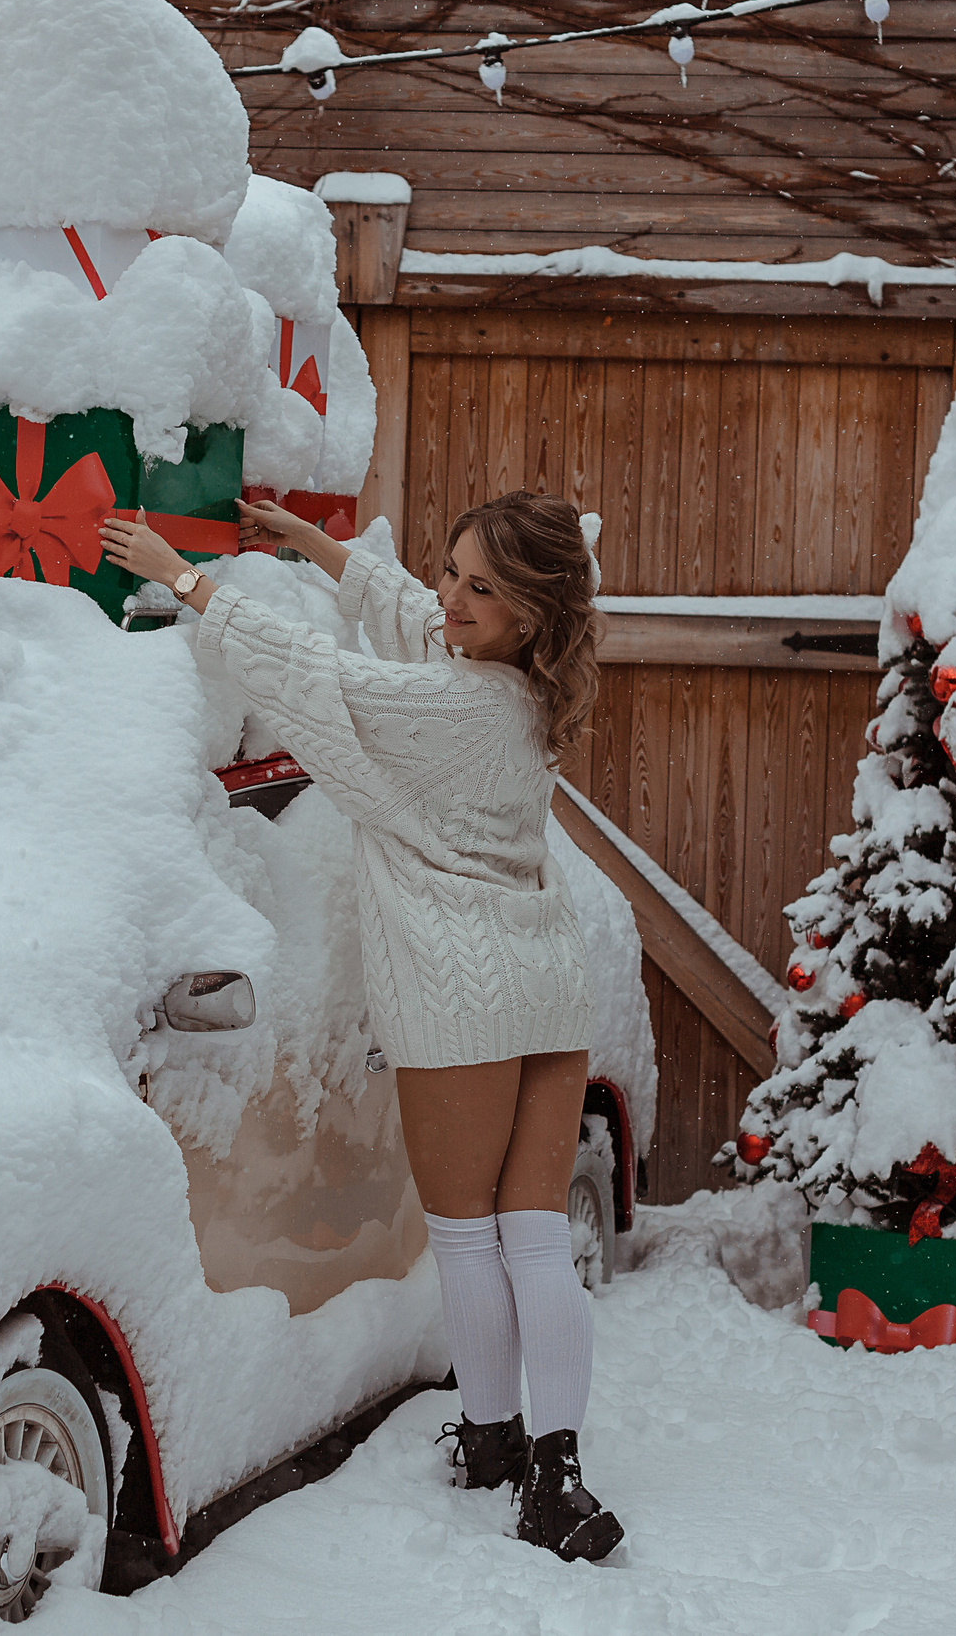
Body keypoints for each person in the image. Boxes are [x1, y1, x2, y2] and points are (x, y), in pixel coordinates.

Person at [100, 489, 623, 1564]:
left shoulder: (450, 707)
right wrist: (303, 539)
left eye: (483, 587)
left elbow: (320, 679)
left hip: (462, 991)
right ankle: (553, 1467)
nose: (452, 598)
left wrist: (182, 576)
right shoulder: (519, 690)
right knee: (533, 1237)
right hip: (544, 984)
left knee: (467, 1238)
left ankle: (501, 1450)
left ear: (529, 613)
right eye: (453, 570)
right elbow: (404, 611)